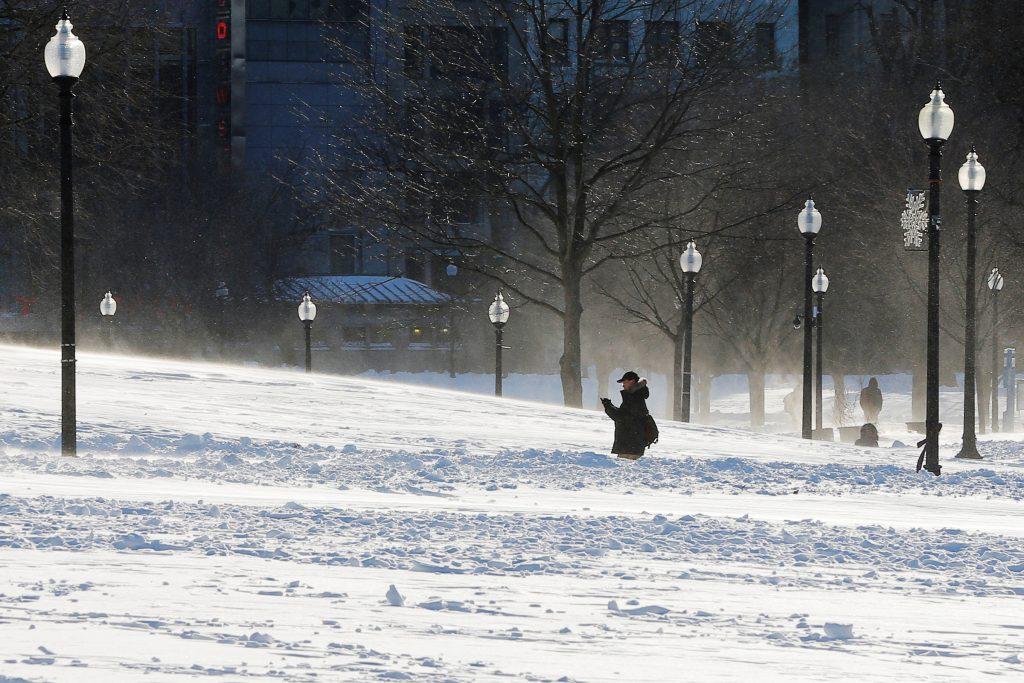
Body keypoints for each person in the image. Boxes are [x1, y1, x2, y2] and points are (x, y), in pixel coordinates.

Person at [601, 371, 650, 460]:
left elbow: (621, 418)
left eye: (624, 382)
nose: (623, 385)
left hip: (630, 446)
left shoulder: (634, 397)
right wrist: (610, 406)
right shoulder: (637, 396)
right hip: (632, 445)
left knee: (627, 471)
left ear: (632, 381)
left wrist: (608, 407)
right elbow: (624, 414)